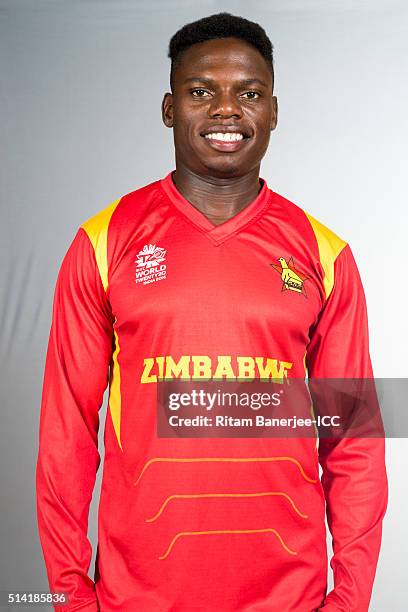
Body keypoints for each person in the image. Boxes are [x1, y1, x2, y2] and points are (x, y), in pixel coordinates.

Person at [36, 12, 388, 612]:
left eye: (249, 93)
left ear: (274, 111)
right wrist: (70, 598)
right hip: (136, 599)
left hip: (290, 599)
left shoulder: (325, 255)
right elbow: (66, 436)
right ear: (170, 108)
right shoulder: (104, 241)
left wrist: (350, 603)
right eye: (202, 91)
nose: (227, 110)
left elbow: (353, 442)